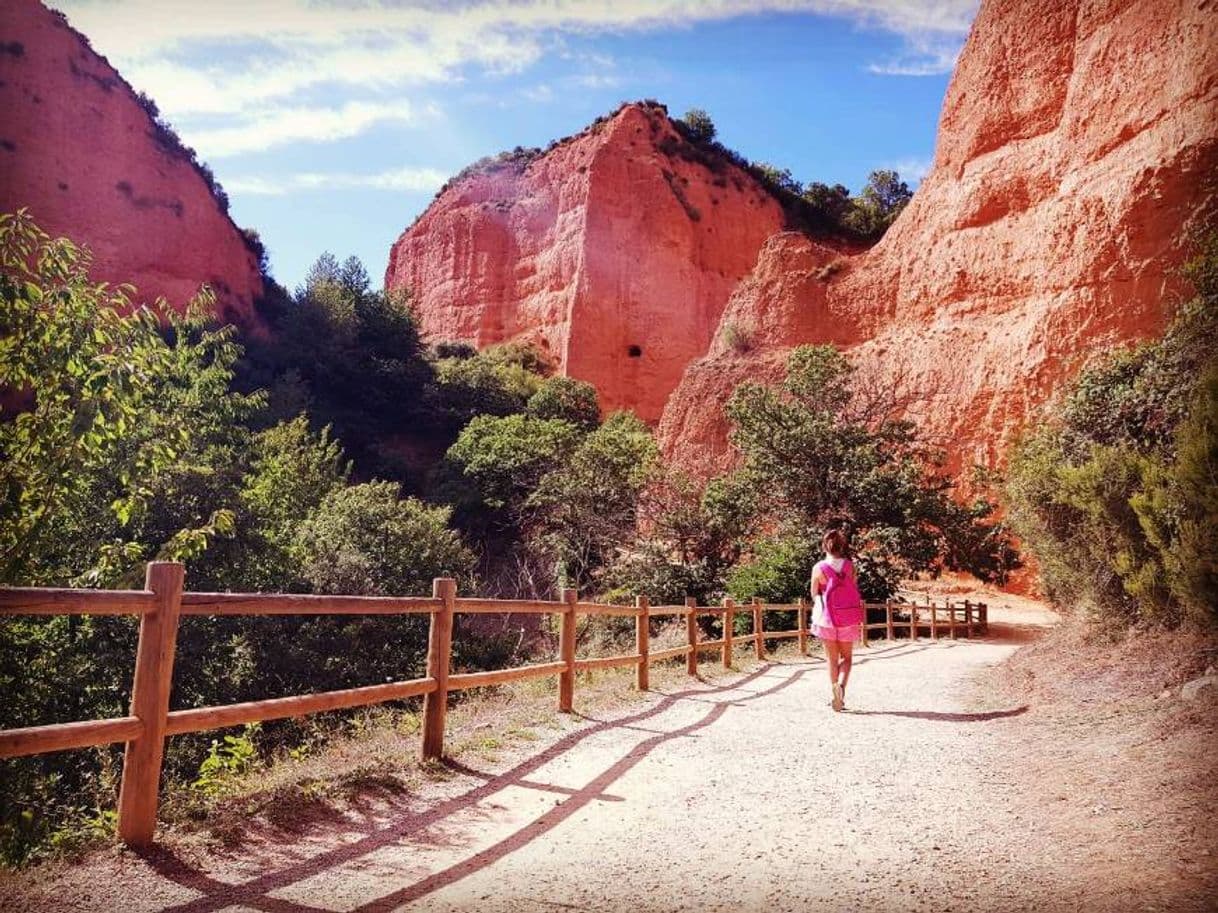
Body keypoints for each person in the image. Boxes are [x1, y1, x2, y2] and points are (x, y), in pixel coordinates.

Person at [810, 529, 864, 712]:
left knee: (832, 660)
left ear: (825, 546)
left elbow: (813, 593)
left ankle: (835, 693)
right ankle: (841, 688)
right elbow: (853, 589)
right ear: (842, 547)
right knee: (847, 658)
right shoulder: (849, 566)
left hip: (826, 619)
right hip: (848, 618)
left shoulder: (819, 568)